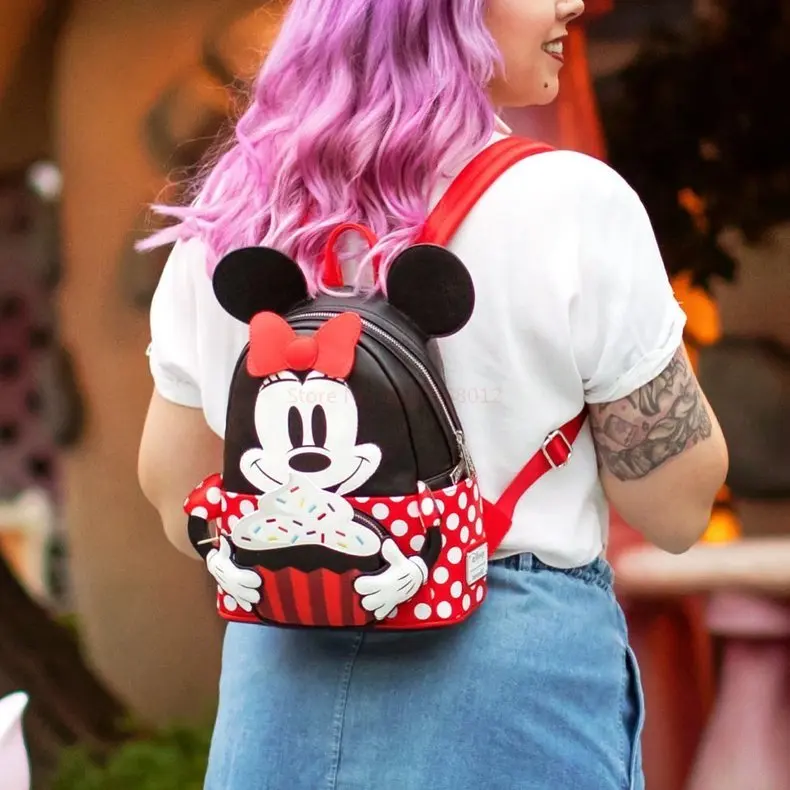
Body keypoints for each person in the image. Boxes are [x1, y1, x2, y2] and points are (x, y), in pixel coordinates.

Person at [138, 1, 729, 787]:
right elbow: (677, 509)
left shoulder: (233, 215)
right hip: (510, 687)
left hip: (280, 684)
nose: (572, 4)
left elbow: (175, 494)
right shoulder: (571, 204)